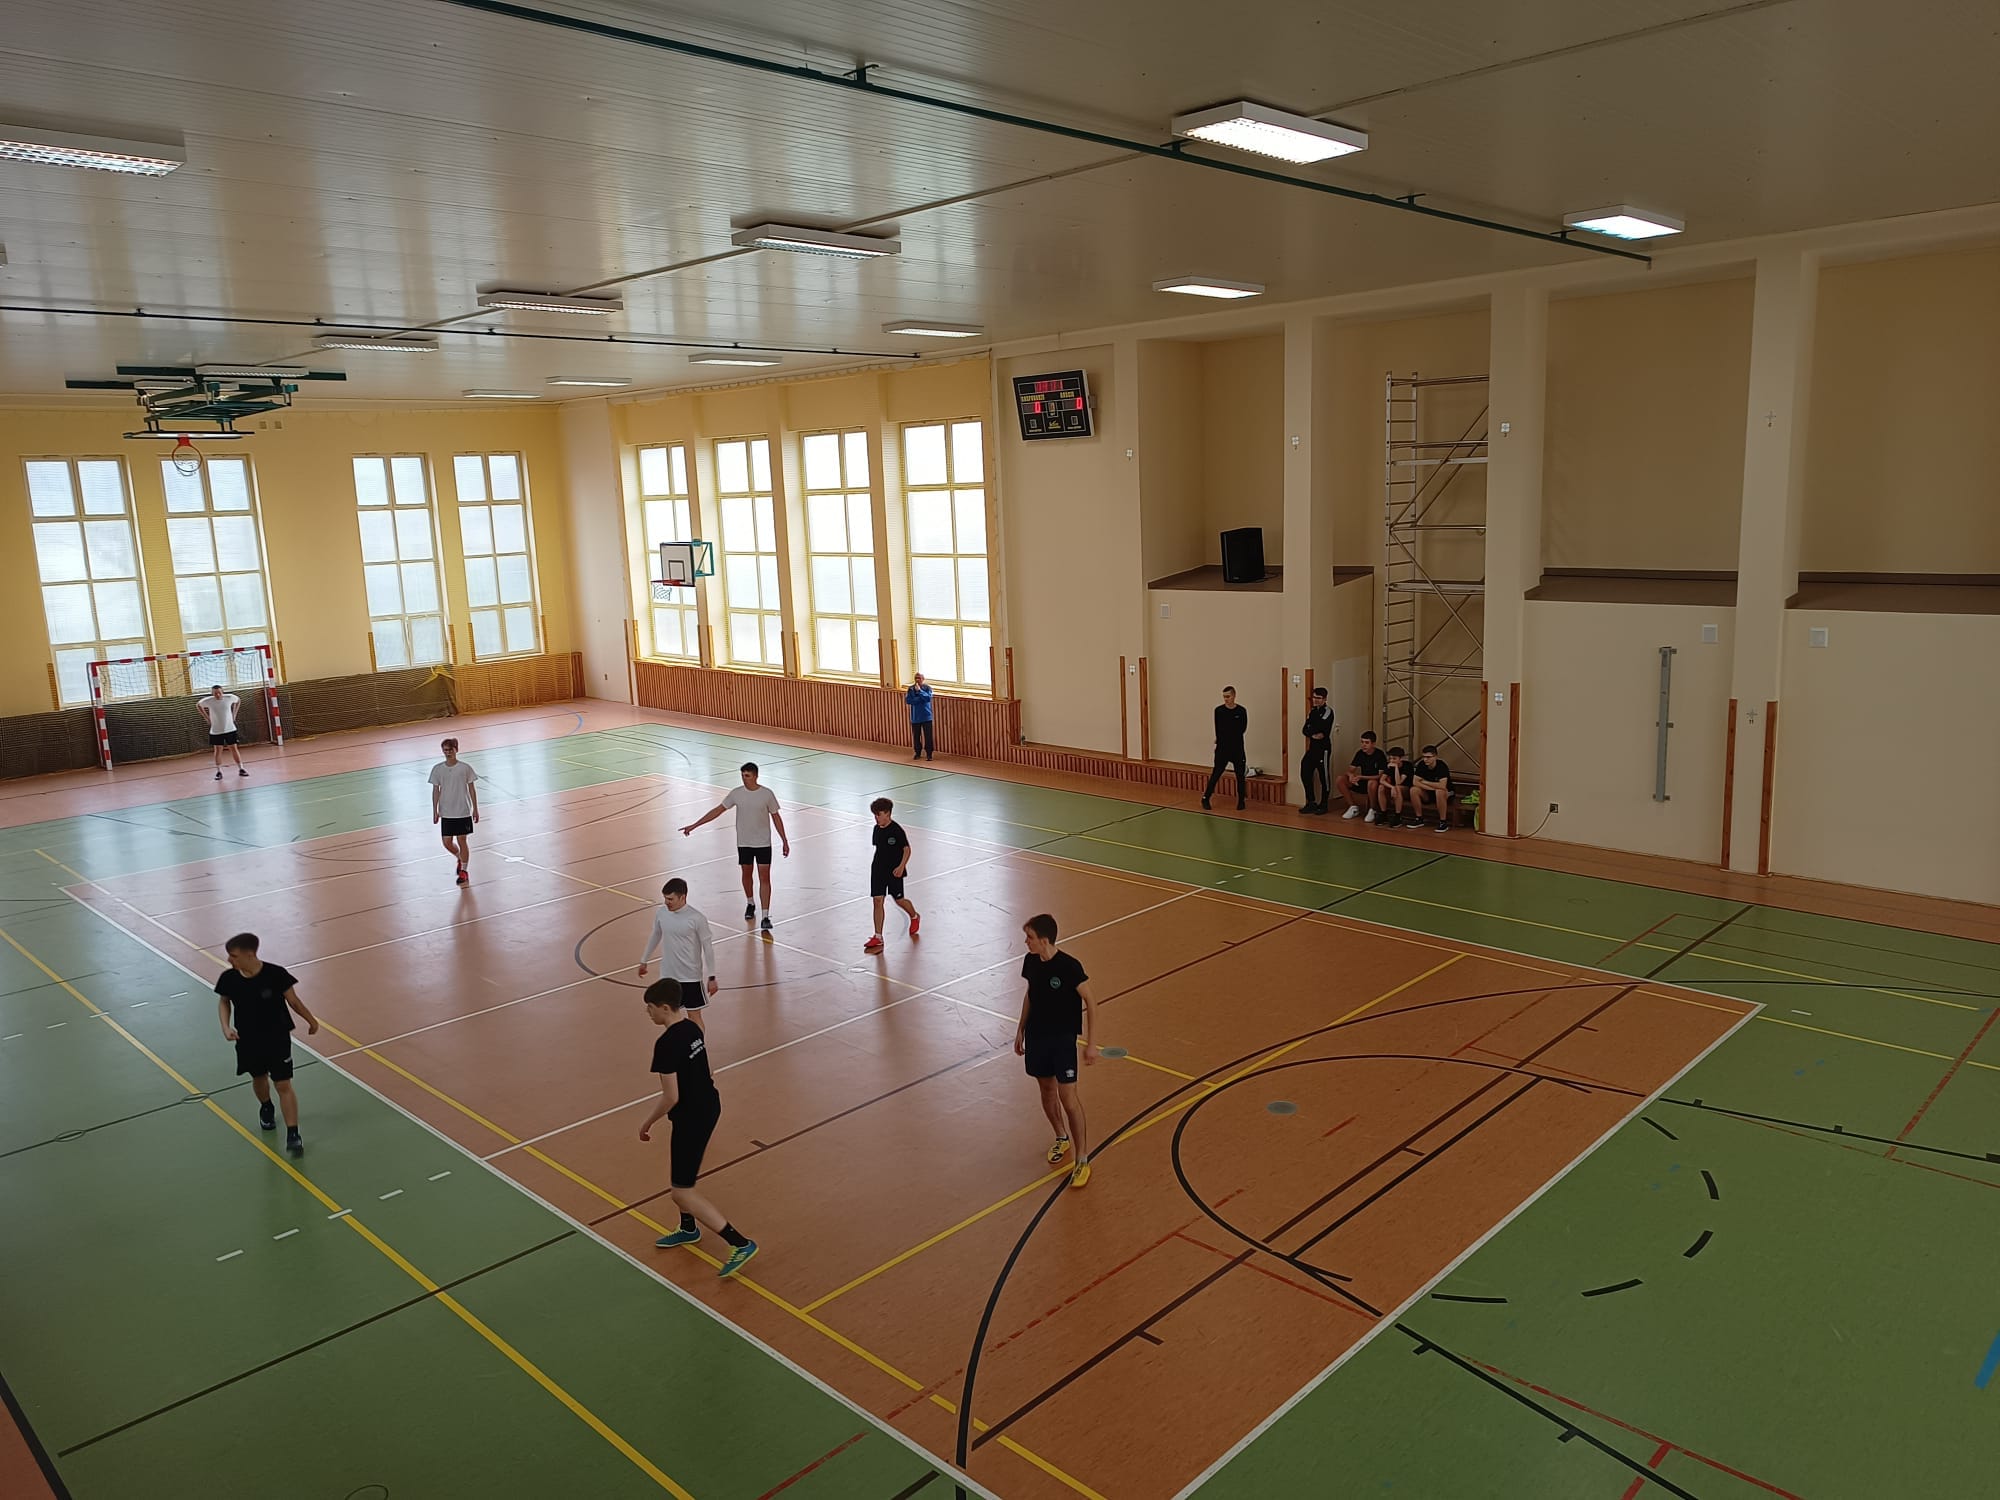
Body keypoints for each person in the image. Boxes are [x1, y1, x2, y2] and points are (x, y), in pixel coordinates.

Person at [638, 981, 759, 1278]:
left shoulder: (665, 1045)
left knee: (681, 1192)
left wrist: (647, 1122)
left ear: (664, 1007)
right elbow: (707, 1069)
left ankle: (740, 1243)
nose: (648, 1013)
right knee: (680, 1174)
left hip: (692, 1117)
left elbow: (671, 1097)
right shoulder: (693, 1028)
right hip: (708, 1105)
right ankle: (688, 1228)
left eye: (650, 1008)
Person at [214, 932, 319, 1158]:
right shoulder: (229, 978)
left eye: (233, 956)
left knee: (283, 1084)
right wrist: (225, 1026)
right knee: (259, 1078)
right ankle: (266, 1106)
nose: (229, 960)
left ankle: (293, 1134)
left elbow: (294, 1002)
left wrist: (311, 1021)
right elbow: (224, 1001)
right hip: (247, 1039)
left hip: (277, 1038)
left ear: (250, 954)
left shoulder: (276, 974)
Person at [1015, 913, 1098, 1190]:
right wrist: (1020, 1028)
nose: (1026, 942)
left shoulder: (1069, 967)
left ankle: (1082, 1159)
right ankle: (1061, 1137)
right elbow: (1030, 994)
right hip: (1037, 1037)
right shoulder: (1030, 962)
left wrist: (1091, 1043)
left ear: (1044, 940)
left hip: (1062, 1041)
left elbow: (1091, 1003)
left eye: (1030, 937)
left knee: (1068, 1098)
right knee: (1047, 1092)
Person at [682, 763, 789, 932]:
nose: (744, 779)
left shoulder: (767, 794)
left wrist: (784, 840)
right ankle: (750, 903)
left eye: (747, 776)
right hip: (744, 843)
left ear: (755, 776)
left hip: (763, 843)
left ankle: (765, 916)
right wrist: (694, 825)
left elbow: (776, 817)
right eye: (742, 776)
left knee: (764, 878)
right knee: (746, 874)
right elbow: (718, 810)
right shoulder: (736, 793)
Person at [635, 878, 718, 1030]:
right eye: (665, 898)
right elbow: (655, 935)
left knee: (694, 1016)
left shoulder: (697, 918)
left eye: (670, 899)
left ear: (682, 897)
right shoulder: (661, 913)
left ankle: (698, 1043)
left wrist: (712, 977)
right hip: (668, 976)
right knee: (669, 1016)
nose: (667, 902)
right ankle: (676, 1042)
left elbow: (708, 948)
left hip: (690, 977)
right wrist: (644, 960)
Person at [864, 797, 921, 953]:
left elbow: (907, 850)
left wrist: (901, 866)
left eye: (879, 814)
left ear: (888, 813)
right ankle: (878, 936)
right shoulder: (876, 829)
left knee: (899, 900)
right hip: (878, 870)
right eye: (875, 815)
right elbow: (880, 850)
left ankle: (914, 916)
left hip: (894, 871)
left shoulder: (896, 830)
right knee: (877, 900)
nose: (876, 818)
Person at [428, 737, 479, 887]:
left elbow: (471, 789)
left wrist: (475, 809)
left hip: (462, 810)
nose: (448, 752)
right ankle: (459, 858)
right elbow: (435, 790)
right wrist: (435, 810)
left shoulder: (465, 768)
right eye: (445, 750)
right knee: (447, 842)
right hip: (446, 812)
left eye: (450, 750)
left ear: (456, 750)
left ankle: (464, 870)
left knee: (462, 840)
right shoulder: (438, 769)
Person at [1201, 687, 1248, 812]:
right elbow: (1218, 728)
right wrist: (1219, 742)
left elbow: (1242, 729)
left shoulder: (1241, 711)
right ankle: (1206, 798)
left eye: (1228, 696)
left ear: (1234, 696)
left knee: (1240, 775)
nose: (1226, 699)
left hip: (1237, 748)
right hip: (1223, 748)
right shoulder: (1219, 711)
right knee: (1216, 773)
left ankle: (1241, 800)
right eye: (1224, 697)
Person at [197, 682, 248, 781]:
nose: (217, 695)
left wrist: (234, 714)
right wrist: (206, 717)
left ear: (222, 692)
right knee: (218, 751)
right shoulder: (209, 701)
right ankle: (219, 771)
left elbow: (238, 700)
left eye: (219, 692)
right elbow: (198, 705)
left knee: (233, 748)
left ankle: (241, 768)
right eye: (215, 693)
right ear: (212, 693)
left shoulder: (229, 698)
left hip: (230, 729)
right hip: (216, 731)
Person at [1336, 731, 1390, 821]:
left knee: (1372, 783)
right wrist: (1351, 776)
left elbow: (1380, 776)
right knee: (1340, 779)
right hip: (1361, 781)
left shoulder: (1379, 755)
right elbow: (1350, 770)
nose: (1363, 745)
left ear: (1373, 744)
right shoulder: (1360, 753)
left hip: (1374, 782)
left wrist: (1361, 777)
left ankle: (1373, 809)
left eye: (1366, 742)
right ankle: (1353, 807)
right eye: (1362, 742)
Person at [1299, 686, 1334, 813]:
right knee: (1305, 770)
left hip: (1323, 749)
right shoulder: (1313, 711)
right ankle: (1311, 802)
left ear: (1324, 699)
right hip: (1312, 747)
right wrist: (1312, 732)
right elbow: (1305, 729)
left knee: (1324, 776)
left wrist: (1312, 728)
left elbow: (1321, 727)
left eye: (1318, 698)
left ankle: (1324, 804)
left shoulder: (1328, 711)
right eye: (1314, 697)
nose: (1315, 700)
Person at [1410, 745, 1454, 833]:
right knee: (1413, 790)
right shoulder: (1421, 765)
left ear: (1435, 757)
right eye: (1424, 757)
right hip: (1429, 792)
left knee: (1439, 792)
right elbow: (1415, 782)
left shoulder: (1441, 766)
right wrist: (1432, 788)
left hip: (1445, 793)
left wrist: (1425, 782)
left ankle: (1443, 822)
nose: (1425, 759)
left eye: (1428, 757)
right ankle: (1419, 818)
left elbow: (1442, 785)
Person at [1374, 746, 1415, 827]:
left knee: (1397, 788)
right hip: (1394, 788)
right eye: (1390, 758)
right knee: (1381, 787)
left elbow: (1398, 782)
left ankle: (1398, 816)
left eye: (1394, 758)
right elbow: (1382, 780)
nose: (1392, 761)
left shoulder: (1407, 766)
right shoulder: (1389, 765)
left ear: (1401, 758)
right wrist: (1391, 787)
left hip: (1407, 789)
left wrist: (1396, 768)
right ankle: (1383, 813)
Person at [905, 674, 935, 761]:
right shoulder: (911, 689)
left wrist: (920, 691)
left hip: (926, 716)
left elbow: (928, 698)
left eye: (919, 678)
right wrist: (921, 699)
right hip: (915, 717)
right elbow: (908, 700)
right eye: (916, 678)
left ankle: (929, 754)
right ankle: (917, 753)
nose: (917, 679)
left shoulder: (927, 688)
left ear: (923, 679)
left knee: (928, 736)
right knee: (916, 737)